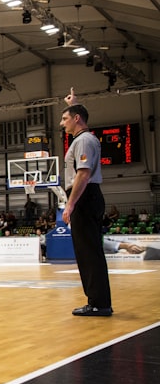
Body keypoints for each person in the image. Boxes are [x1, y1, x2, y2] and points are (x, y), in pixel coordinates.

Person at [60, 89, 113, 316]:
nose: (62, 123)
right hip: (87, 196)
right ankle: (97, 301)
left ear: (76, 119)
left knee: (89, 252)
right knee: (88, 251)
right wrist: (75, 104)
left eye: (65, 118)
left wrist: (70, 205)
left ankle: (99, 304)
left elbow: (82, 174)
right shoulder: (83, 139)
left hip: (85, 196)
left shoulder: (84, 141)